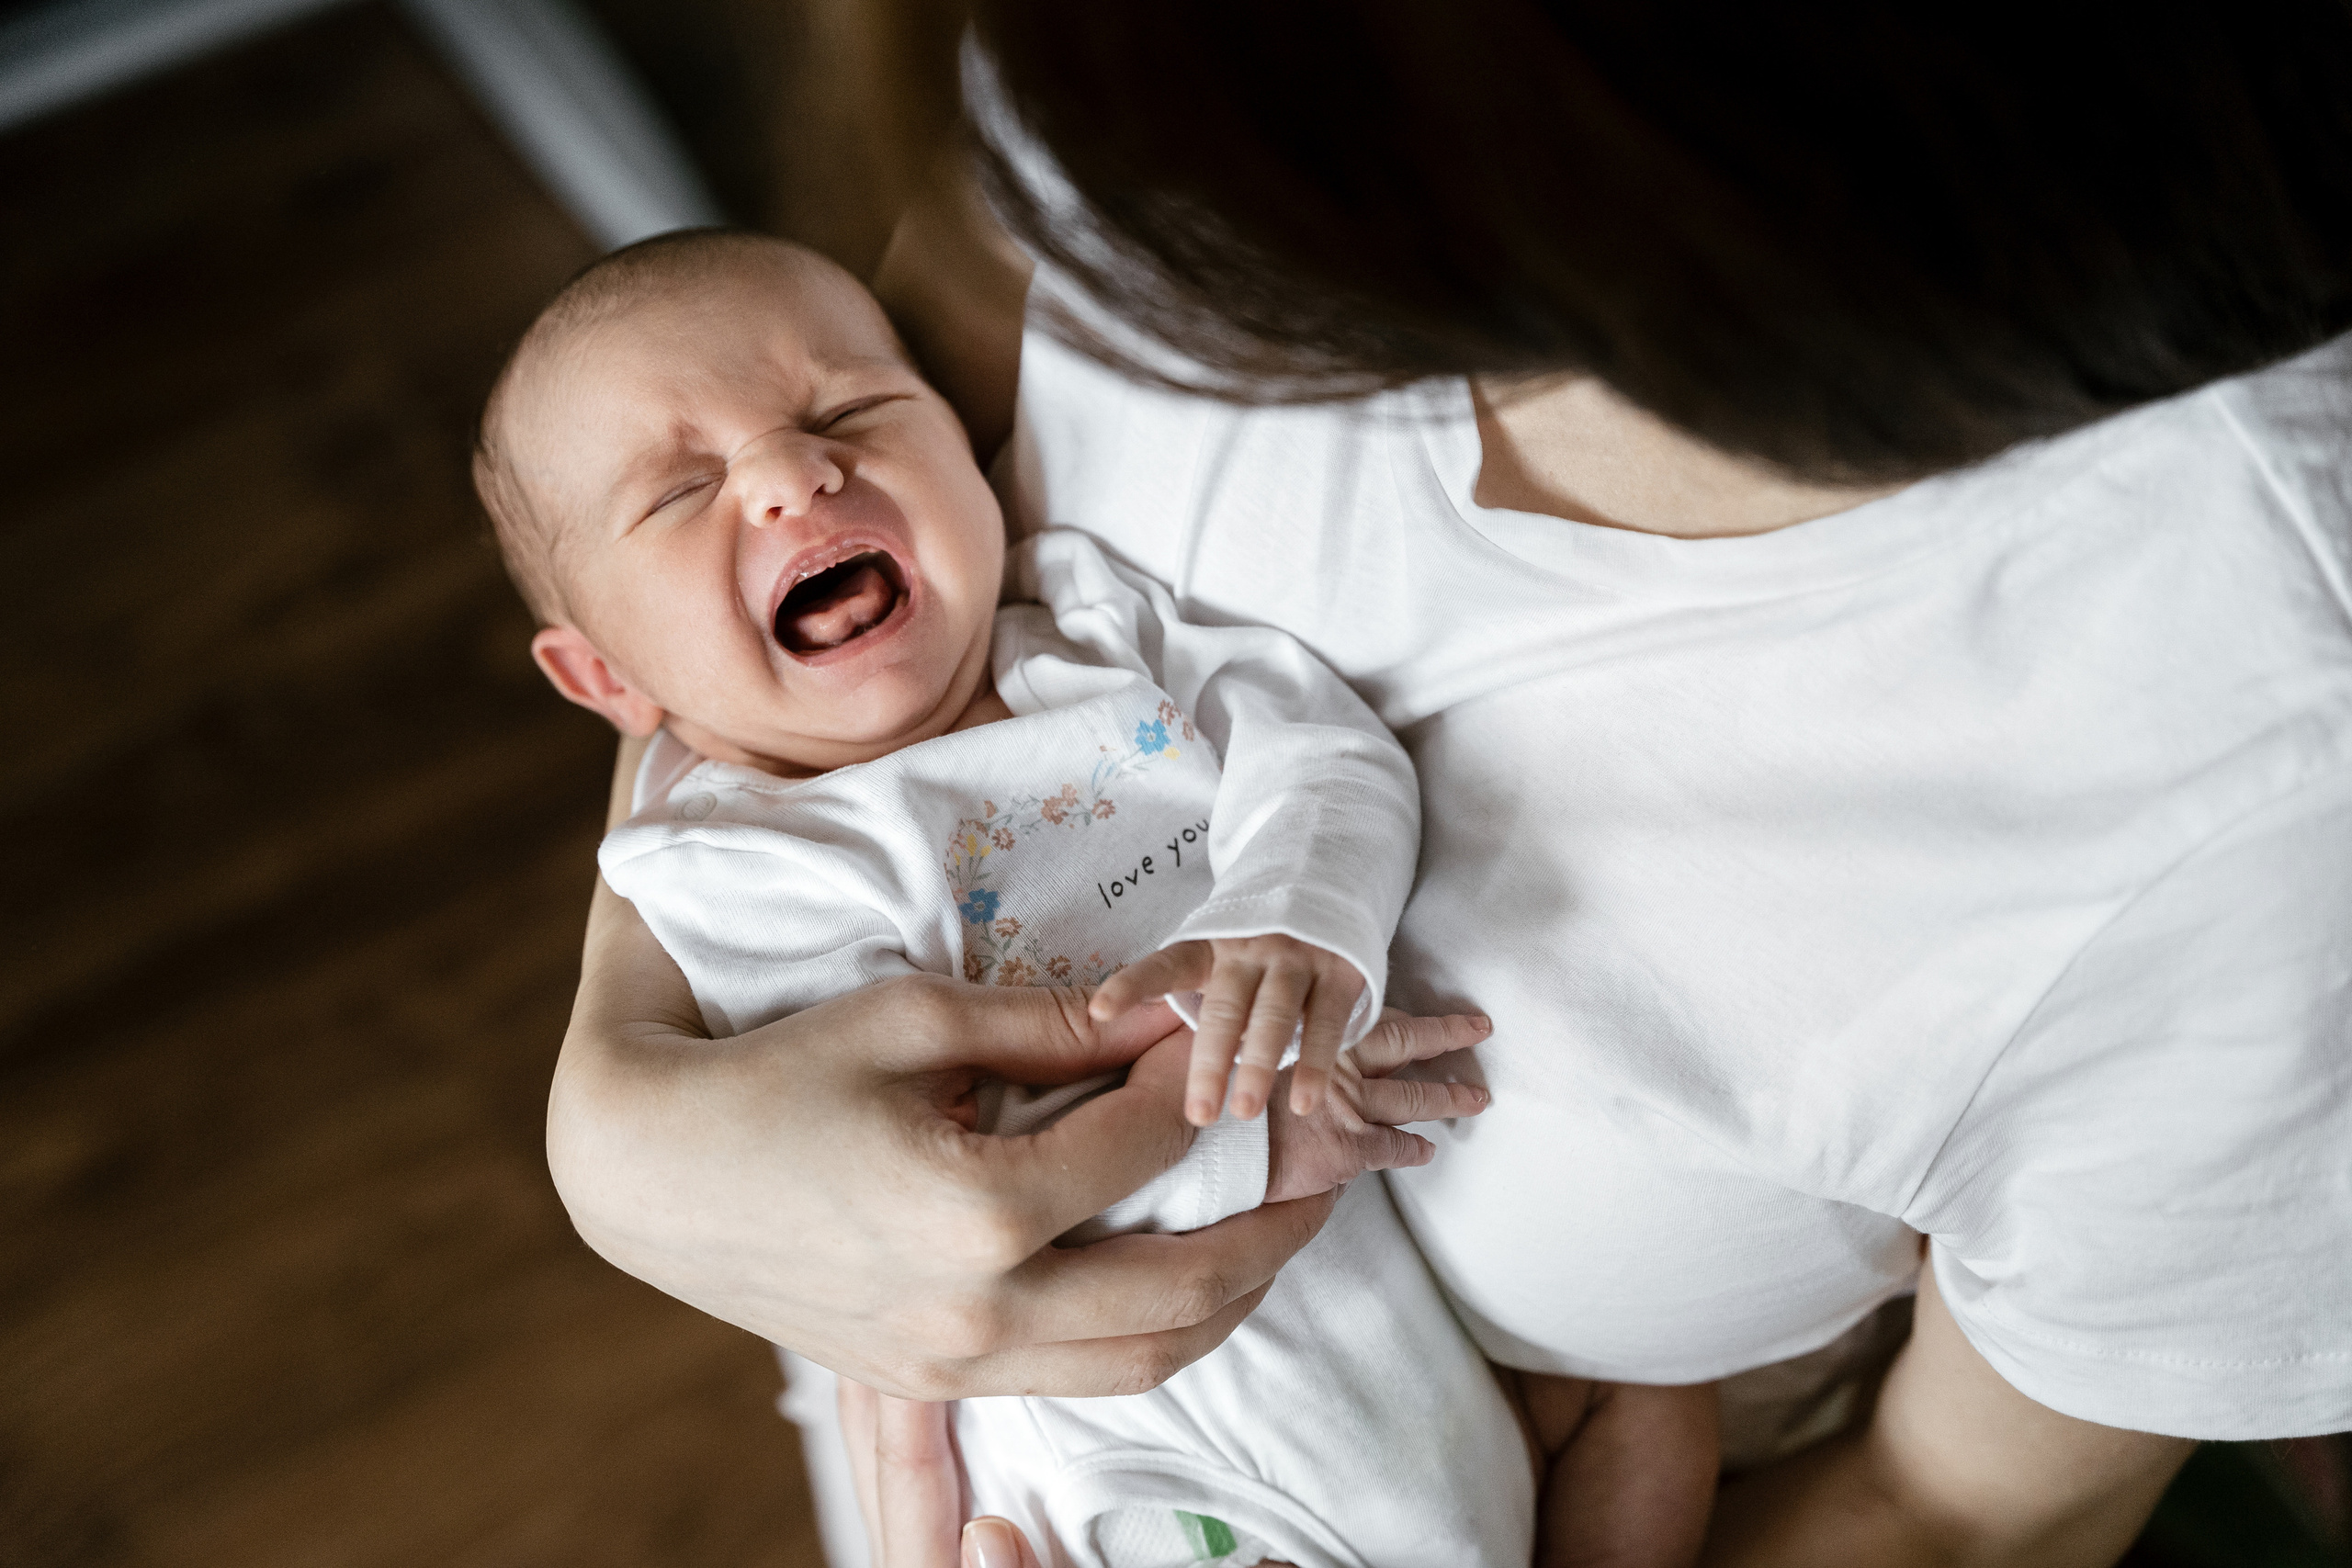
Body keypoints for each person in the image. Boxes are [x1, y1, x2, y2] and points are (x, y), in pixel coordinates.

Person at [539, 6, 2352, 1563]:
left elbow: (1963, 1512)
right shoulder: (1158, 80)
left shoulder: (2259, 778)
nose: (795, 470)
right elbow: (852, 559)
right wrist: (624, 1111)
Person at [478, 230, 1719, 1567]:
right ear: (609, 683)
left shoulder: (1096, 626)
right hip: (1134, 1440)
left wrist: (1308, 920)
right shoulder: (739, 867)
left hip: (1380, 1349)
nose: (794, 471)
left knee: (1657, 1391)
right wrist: (1262, 1141)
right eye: (680, 490)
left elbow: (1321, 752)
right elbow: (938, 1187)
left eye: (851, 410)